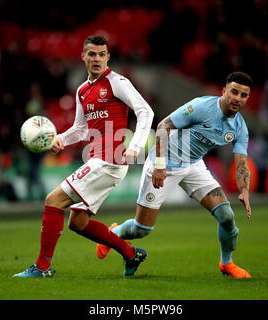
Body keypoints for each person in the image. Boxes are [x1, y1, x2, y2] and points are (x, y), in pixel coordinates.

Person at [14, 35, 154, 278]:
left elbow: (145, 111)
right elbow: (80, 128)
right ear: (83, 57)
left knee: (53, 200)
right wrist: (60, 139)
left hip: (110, 160)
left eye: (102, 54)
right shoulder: (82, 90)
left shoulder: (117, 82)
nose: (97, 58)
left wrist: (136, 145)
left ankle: (43, 267)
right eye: (92, 54)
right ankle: (130, 253)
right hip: (97, 160)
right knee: (77, 222)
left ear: (108, 57)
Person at [97, 72, 253, 278]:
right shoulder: (202, 107)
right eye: (234, 92)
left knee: (226, 216)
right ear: (224, 91)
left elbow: (241, 162)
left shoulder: (240, 127)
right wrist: (160, 166)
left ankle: (226, 264)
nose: (237, 98)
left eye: (243, 95)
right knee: (141, 229)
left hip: (194, 166)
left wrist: (244, 191)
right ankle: (113, 233)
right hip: (163, 164)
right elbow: (163, 126)